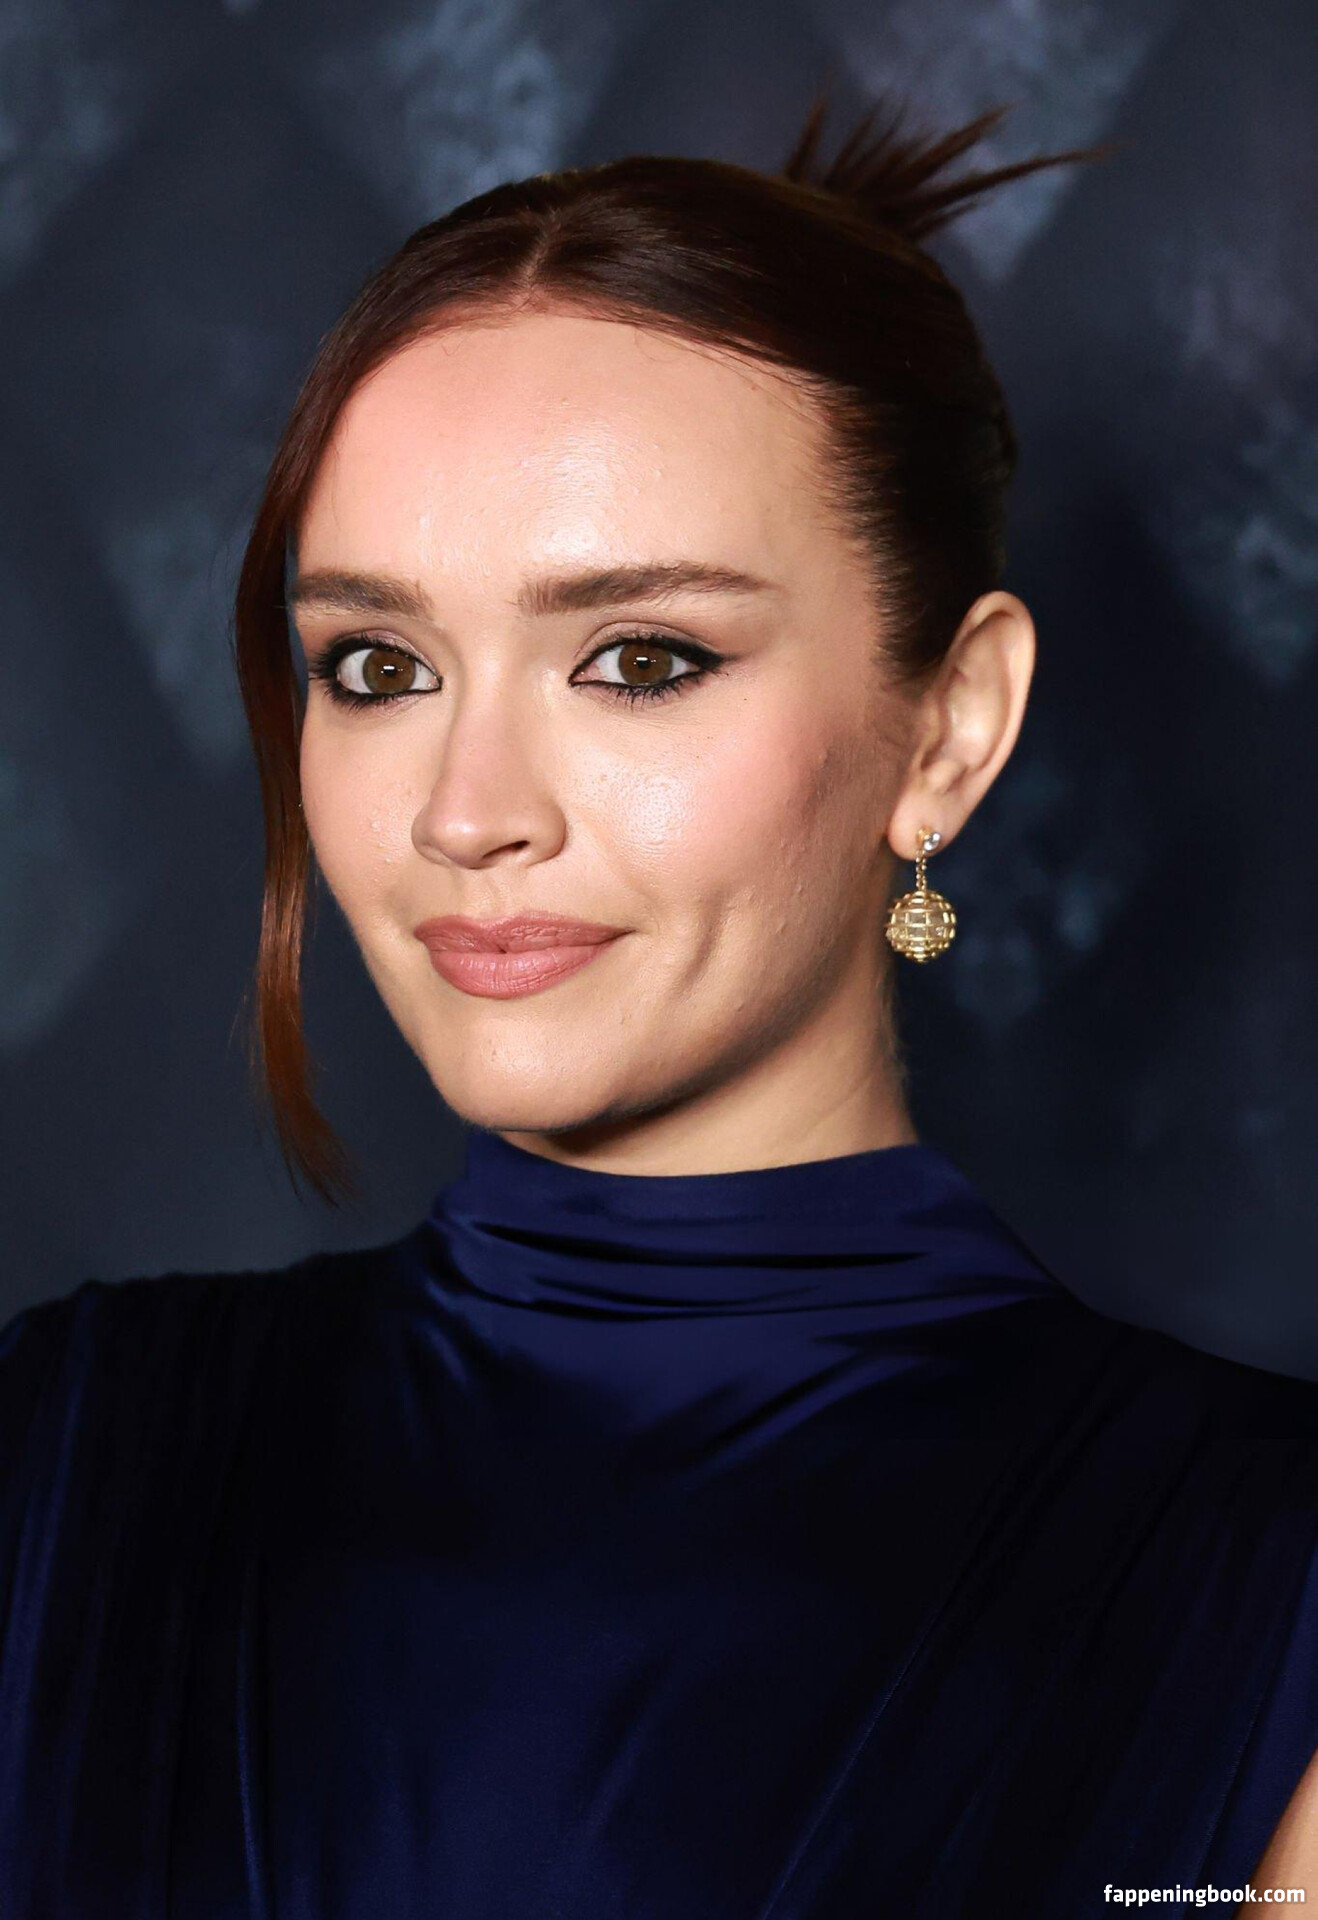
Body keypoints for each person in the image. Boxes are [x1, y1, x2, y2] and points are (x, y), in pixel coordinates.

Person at [2, 86, 1316, 1917]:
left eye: (637, 659)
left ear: (947, 731)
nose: (467, 811)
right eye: (375, 667)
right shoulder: (56, 1453)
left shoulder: (1263, 1585)